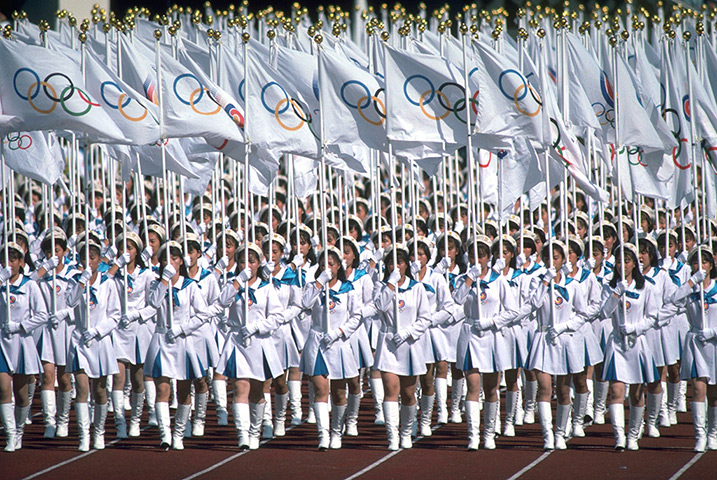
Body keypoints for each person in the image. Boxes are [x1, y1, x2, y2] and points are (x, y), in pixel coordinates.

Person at [212, 243, 284, 450]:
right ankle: (242, 434)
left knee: (257, 391)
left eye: (252, 261)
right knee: (239, 386)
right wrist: (237, 282)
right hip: (237, 341)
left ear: (259, 263)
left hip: (259, 342)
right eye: (243, 261)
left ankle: (255, 431)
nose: (248, 265)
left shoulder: (266, 287)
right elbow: (222, 301)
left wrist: (257, 327)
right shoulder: (232, 284)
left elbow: (277, 317)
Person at [144, 241, 211, 450]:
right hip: (162, 338)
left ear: (181, 261)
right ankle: (165, 433)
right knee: (162, 389)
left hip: (182, 339)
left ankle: (179, 433)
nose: (170, 262)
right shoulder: (156, 284)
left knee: (184, 390)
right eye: (166, 259)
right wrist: (164, 281)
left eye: (174, 258)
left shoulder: (190, 286)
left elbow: (203, 315)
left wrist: (183, 329)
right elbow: (153, 305)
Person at [453, 235, 517, 450]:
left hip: (491, 335)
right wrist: (469, 279)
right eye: (472, 256)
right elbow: (456, 300)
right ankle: (473, 435)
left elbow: (512, 311)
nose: (476, 260)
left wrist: (491, 321)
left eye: (481, 256)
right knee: (472, 386)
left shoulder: (499, 280)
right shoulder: (463, 278)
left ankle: (489, 434)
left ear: (489, 257)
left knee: (491, 389)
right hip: (470, 333)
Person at [370, 244, 432, 450]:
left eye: (399, 262)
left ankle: (406, 432)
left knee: (408, 393)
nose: (394, 266)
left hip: (409, 343)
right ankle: (392, 436)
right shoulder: (382, 286)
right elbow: (379, 307)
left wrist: (408, 332)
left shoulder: (417, 288)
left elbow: (425, 318)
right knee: (390, 389)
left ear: (406, 265)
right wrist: (390, 284)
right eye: (390, 263)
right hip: (388, 342)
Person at [300, 245, 362, 449]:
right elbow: (305, 303)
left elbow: (357, 316)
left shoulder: (347, 289)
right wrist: (320, 282)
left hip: (338, 342)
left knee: (339, 393)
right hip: (317, 341)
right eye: (324, 264)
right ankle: (323, 436)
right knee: (320, 389)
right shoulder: (314, 286)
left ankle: (337, 432)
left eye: (332, 264)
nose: (328, 268)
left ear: (338, 266)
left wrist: (340, 332)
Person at [600, 243, 660, 451]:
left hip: (636, 343)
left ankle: (633, 435)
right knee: (616, 390)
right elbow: (604, 313)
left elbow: (652, 317)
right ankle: (619, 436)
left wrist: (634, 328)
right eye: (618, 261)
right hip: (617, 342)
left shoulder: (646, 287)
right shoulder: (609, 286)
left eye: (626, 261)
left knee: (636, 392)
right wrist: (616, 294)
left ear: (635, 263)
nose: (622, 265)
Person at [66, 240, 121, 451]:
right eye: (84, 258)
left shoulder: (108, 283)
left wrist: (98, 331)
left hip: (100, 339)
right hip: (80, 339)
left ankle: (99, 432)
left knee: (99, 390)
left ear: (99, 260)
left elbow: (115, 316)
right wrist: (82, 282)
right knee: (81, 387)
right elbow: (70, 302)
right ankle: (84, 435)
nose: (88, 262)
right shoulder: (75, 280)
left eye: (92, 258)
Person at [107, 232, 157, 438]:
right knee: (118, 377)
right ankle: (120, 423)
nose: (126, 251)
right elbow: (100, 286)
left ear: (137, 251)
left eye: (130, 247)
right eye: (122, 247)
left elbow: (154, 306)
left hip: (139, 329)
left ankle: (135, 421)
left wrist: (136, 314)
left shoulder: (146, 275)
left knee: (138, 379)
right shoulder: (113, 274)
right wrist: (117, 265)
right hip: (118, 330)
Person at [0, 242, 48, 452]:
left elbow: (42, 315)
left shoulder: (30, 286)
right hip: (2, 341)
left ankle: (19, 431)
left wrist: (20, 325)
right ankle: (10, 435)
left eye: (12, 260)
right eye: (4, 260)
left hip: (21, 342)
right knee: (3, 389)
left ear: (21, 262)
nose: (8, 264)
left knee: (21, 395)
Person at [671, 245, 717, 452]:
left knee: (714, 394)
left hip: (714, 343)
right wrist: (691, 282)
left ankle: (713, 433)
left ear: (711, 265)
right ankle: (699, 435)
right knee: (698, 388)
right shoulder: (689, 290)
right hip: (697, 343)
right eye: (697, 262)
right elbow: (672, 299)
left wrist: (714, 332)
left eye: (705, 262)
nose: (701, 266)